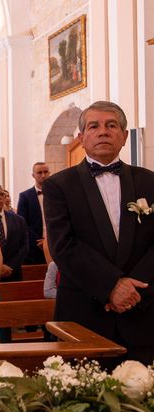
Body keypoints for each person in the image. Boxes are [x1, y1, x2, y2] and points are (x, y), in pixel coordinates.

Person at [43, 101, 154, 365]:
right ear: (81, 138)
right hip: (85, 313)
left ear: (125, 136)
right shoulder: (59, 186)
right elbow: (63, 246)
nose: (103, 131)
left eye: (111, 125)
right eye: (94, 126)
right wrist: (111, 287)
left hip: (142, 311)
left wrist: (132, 290)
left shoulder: (149, 181)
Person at [17, 162, 50, 264]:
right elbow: (22, 223)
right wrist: (39, 241)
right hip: (34, 247)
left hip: (55, 244)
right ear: (33, 175)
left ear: (49, 173)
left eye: (45, 172)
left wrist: (49, 241)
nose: (43, 175)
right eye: (39, 172)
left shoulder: (57, 194)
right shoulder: (25, 196)